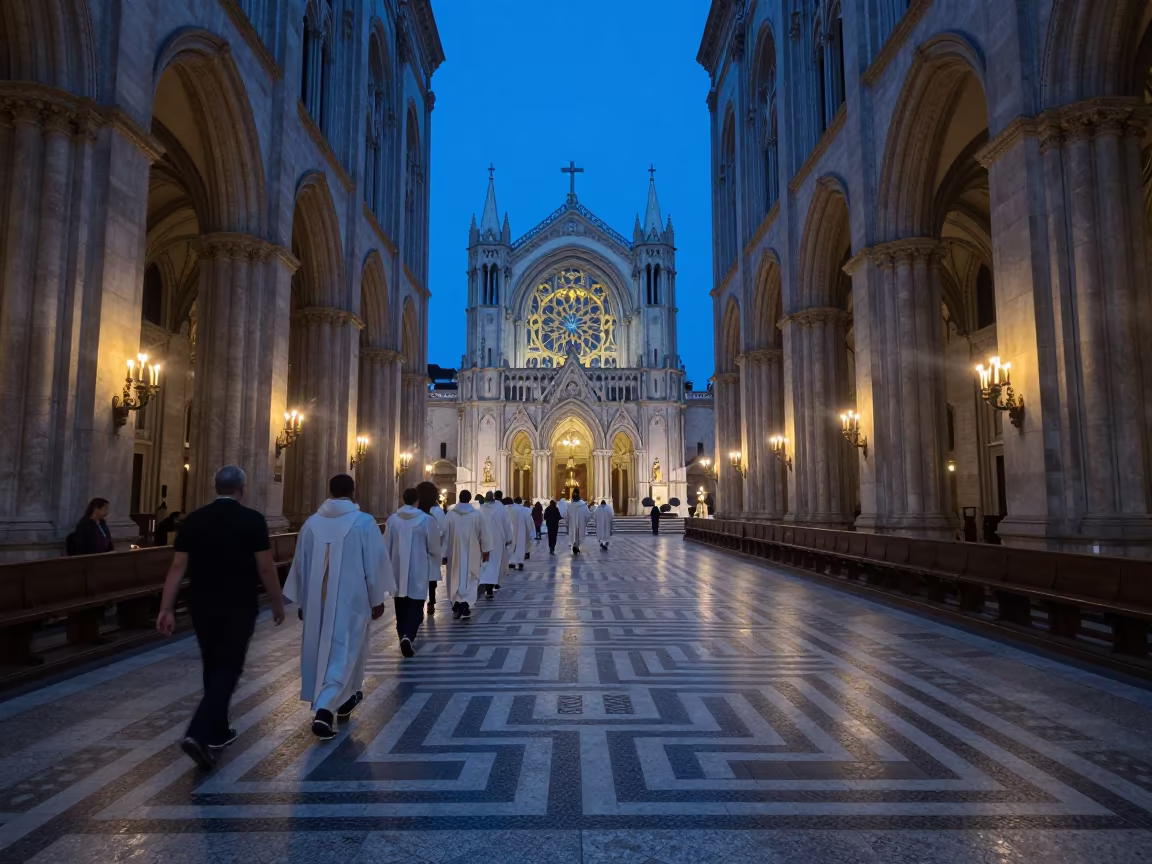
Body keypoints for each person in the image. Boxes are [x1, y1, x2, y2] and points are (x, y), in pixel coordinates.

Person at [156, 466, 285, 770]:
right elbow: (266, 567)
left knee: (212, 663)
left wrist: (166, 608)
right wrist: (278, 603)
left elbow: (177, 568)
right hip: (238, 603)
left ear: (216, 487)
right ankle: (198, 733)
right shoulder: (252, 519)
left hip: (201, 604)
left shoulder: (194, 520)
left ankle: (218, 730)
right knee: (229, 666)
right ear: (243, 488)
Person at [284, 474, 393, 741]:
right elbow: (375, 564)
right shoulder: (364, 523)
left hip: (316, 604)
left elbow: (300, 564)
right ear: (353, 493)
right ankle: (324, 709)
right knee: (345, 652)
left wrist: (302, 600)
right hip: (352, 601)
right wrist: (377, 598)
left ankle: (345, 700)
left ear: (329, 491)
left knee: (330, 651)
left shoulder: (311, 524)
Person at [384, 488, 441, 658]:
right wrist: (436, 563)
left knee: (400, 603)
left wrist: (386, 567)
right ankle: (408, 636)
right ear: (417, 501)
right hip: (419, 567)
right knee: (416, 604)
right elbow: (434, 547)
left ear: (403, 500)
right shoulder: (426, 520)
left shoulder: (392, 520)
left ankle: (403, 635)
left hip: (397, 567)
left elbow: (386, 546)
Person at [442, 490, 491, 619]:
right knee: (471, 577)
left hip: (454, 554)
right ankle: (465, 604)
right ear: (469, 499)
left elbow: (444, 536)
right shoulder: (477, 515)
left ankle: (457, 602)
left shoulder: (450, 515)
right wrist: (486, 551)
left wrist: (443, 554)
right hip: (473, 552)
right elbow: (484, 534)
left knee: (455, 577)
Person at [416, 481, 446, 615]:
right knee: (431, 579)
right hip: (431, 549)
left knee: (420, 578)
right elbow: (443, 530)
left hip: (417, 551)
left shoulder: (417, 511)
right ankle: (431, 602)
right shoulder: (438, 511)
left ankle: (422, 602)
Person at [478, 492, 511, 599]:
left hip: (484, 539)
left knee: (487, 562)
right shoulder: (500, 508)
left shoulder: (480, 509)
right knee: (495, 563)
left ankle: (487, 586)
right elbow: (506, 523)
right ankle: (490, 586)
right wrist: (508, 538)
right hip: (498, 539)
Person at [508, 496, 534, 571]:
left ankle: (512, 562)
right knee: (520, 546)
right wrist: (530, 532)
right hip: (521, 532)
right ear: (521, 502)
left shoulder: (509, 509)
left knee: (512, 546)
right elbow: (529, 522)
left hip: (511, 531)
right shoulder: (525, 510)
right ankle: (520, 562)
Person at [566, 489, 591, 555]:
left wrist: (568, 522)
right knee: (579, 536)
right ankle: (576, 547)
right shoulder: (583, 505)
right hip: (581, 524)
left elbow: (567, 516)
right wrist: (585, 521)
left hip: (572, 525)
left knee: (574, 535)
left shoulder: (570, 506)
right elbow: (588, 515)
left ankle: (575, 546)